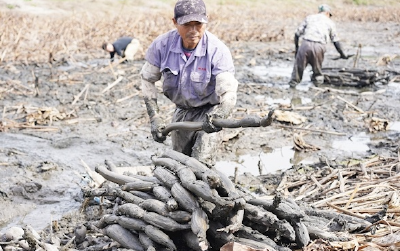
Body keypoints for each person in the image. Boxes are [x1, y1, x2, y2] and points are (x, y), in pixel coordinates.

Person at [140, 0, 238, 166]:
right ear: (175, 22)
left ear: (206, 21)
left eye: (198, 24)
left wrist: (220, 116)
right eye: (187, 24)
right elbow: (147, 79)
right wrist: (154, 117)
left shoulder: (217, 50)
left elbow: (228, 92)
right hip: (182, 112)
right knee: (179, 164)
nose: (193, 31)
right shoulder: (161, 46)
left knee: (201, 164)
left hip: (210, 110)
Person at [288, 4, 349, 88]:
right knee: (317, 70)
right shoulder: (330, 22)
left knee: (298, 69)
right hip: (319, 47)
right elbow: (336, 41)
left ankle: (293, 86)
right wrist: (343, 54)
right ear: (327, 13)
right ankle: (317, 88)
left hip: (305, 44)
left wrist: (297, 48)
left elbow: (297, 34)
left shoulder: (310, 17)